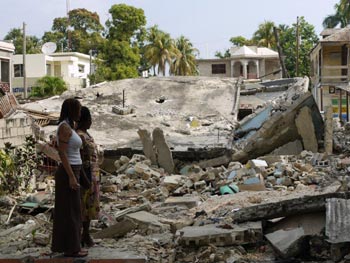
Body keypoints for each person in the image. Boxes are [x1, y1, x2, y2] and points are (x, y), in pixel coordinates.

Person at [51, 98, 88, 257]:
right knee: (70, 211)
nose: (80, 112)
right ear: (72, 110)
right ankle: (72, 249)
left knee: (72, 210)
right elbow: (62, 153)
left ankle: (70, 246)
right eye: (78, 109)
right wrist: (72, 177)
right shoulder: (65, 128)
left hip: (74, 170)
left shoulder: (69, 126)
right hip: (68, 172)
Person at [76, 106, 101, 248]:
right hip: (86, 175)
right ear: (84, 120)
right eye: (89, 119)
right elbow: (80, 158)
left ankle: (86, 234)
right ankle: (83, 235)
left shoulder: (87, 135)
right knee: (84, 207)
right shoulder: (79, 135)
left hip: (94, 174)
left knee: (91, 206)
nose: (91, 122)